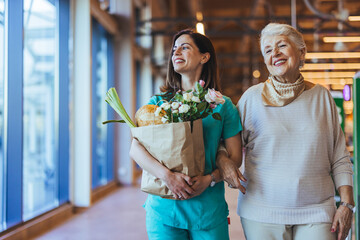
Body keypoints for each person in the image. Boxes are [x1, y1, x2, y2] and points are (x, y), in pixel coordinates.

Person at [217, 23, 354, 240]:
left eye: (282, 45)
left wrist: (347, 204)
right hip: (261, 211)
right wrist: (223, 160)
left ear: (301, 52)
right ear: (265, 61)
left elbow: (339, 156)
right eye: (268, 50)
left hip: (317, 210)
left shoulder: (321, 97)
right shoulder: (251, 98)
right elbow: (225, 144)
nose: (275, 54)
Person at [129, 29, 244, 240]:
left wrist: (209, 179)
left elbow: (235, 158)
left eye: (185, 47)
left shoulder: (222, 105)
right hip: (164, 207)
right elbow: (136, 148)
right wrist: (168, 177)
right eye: (174, 49)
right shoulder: (158, 103)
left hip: (207, 208)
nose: (176, 52)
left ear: (204, 56)